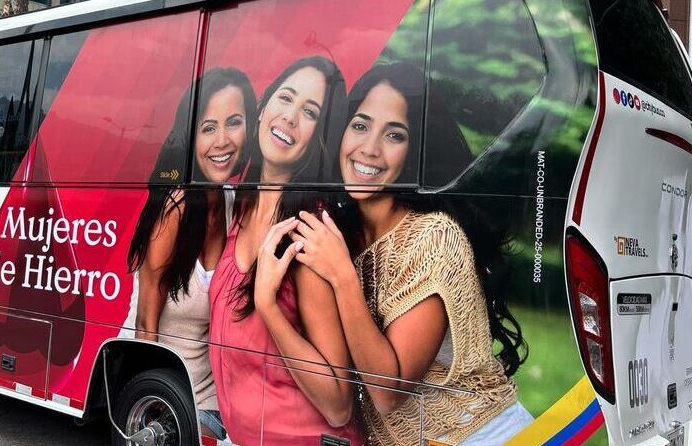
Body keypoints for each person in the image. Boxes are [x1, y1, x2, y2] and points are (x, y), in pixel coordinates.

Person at [286, 63, 531, 445]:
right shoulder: (344, 235)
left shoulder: (434, 237)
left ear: (414, 150)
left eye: (394, 135)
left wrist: (342, 277)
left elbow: (387, 393)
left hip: (481, 435)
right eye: (361, 125)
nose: (369, 148)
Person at [208, 56, 363, 445]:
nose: (290, 118)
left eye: (310, 112)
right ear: (262, 109)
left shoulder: (307, 235)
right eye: (286, 98)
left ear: (320, 137)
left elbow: (339, 404)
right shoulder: (238, 211)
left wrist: (268, 306)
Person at [127, 68, 258, 439]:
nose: (222, 141)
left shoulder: (237, 207)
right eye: (208, 128)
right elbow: (145, 325)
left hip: (223, 405)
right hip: (173, 405)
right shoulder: (176, 207)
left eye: (234, 122)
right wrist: (150, 410)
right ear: (190, 138)